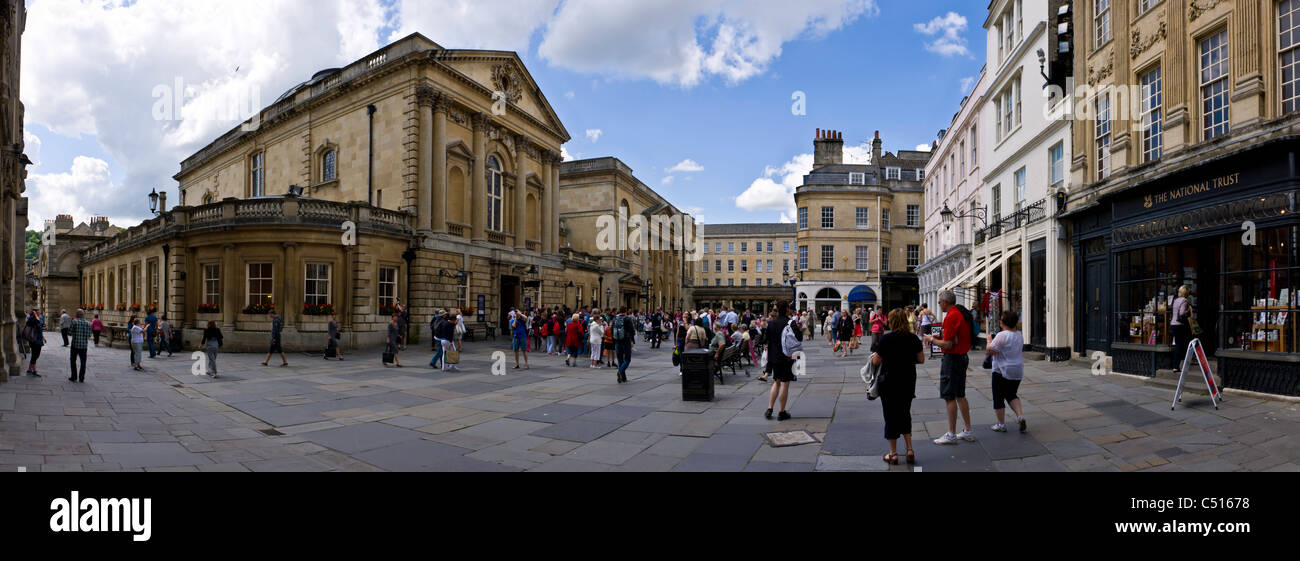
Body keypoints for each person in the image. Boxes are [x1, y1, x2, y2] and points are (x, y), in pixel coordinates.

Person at [873, 308, 925, 465]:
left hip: (889, 382)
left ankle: (893, 454)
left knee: (890, 416)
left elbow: (876, 361)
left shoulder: (886, 339)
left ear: (891, 321)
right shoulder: (913, 338)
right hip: (908, 381)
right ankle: (909, 450)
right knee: (905, 413)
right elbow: (921, 359)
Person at [924, 290, 976, 445]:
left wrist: (932, 339)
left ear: (945, 302)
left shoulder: (951, 316)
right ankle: (967, 430)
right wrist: (939, 337)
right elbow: (952, 337)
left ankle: (951, 434)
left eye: (939, 302)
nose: (939, 305)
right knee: (960, 394)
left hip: (952, 359)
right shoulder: (961, 313)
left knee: (949, 396)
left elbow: (948, 344)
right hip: (962, 357)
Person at [986, 311, 1027, 433]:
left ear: (1004, 322)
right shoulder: (1019, 334)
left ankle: (1001, 424)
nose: (999, 321)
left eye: (1001, 319)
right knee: (1011, 394)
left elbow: (991, 351)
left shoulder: (1002, 335)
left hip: (1001, 371)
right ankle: (1020, 416)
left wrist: (989, 340)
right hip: (1017, 370)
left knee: (998, 397)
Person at [766, 301, 799, 421]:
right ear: (786, 309)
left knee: (776, 382)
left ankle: (769, 408)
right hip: (787, 357)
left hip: (775, 357)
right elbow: (799, 338)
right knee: (785, 384)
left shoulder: (771, 323)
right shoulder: (791, 323)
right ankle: (781, 412)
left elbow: (767, 341)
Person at [1171, 285, 1194, 367]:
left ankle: (1176, 365)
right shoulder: (1184, 300)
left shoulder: (1176, 300)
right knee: (1180, 345)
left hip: (1173, 324)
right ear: (1186, 293)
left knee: (1177, 344)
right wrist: (1188, 311)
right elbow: (1181, 313)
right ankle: (1176, 366)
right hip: (1179, 325)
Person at [68, 309, 93, 383]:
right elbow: (89, 335)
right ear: (83, 315)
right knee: (83, 362)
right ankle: (81, 378)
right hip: (84, 346)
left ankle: (74, 377)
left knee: (73, 361)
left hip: (75, 345)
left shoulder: (74, 322)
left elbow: (69, 333)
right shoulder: (88, 323)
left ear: (77, 315)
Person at [614, 308, 636, 383]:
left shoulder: (615, 318)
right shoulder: (628, 319)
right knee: (627, 359)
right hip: (626, 340)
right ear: (625, 312)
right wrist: (632, 340)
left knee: (620, 359)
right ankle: (620, 371)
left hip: (617, 341)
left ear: (619, 312)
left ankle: (623, 378)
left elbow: (612, 330)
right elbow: (632, 331)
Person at [25, 309, 46, 377]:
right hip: (34, 340)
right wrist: (35, 315)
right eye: (39, 312)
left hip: (38, 340)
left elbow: (40, 329)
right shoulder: (33, 320)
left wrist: (43, 337)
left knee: (36, 355)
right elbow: (38, 322)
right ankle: (34, 371)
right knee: (35, 355)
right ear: (36, 314)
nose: (40, 313)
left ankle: (29, 369)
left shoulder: (37, 319)